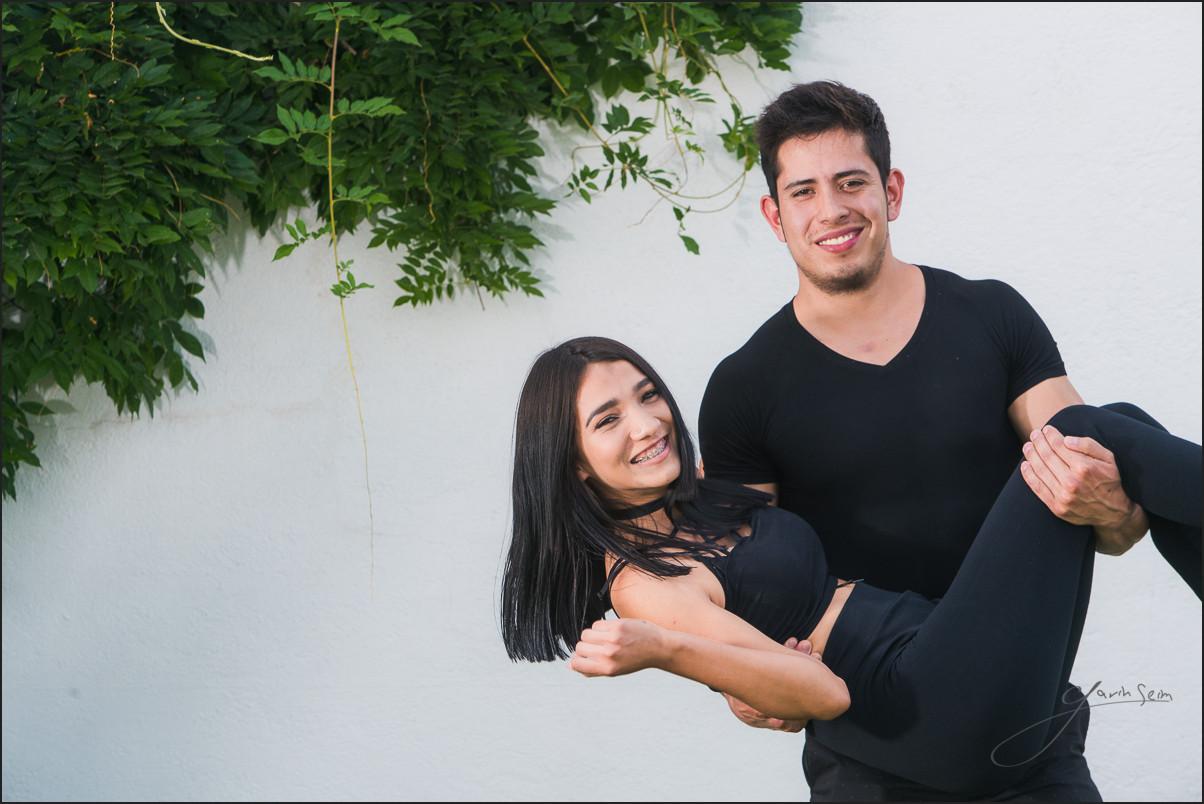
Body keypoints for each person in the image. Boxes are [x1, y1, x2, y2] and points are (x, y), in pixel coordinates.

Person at [695, 80, 1201, 800]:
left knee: (1088, 434)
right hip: (875, 746)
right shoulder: (744, 387)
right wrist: (743, 684)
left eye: (851, 182)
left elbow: (1112, 526)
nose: (831, 209)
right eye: (803, 191)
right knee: (1095, 425)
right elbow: (745, 586)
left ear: (891, 191)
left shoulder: (991, 316)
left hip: (1025, 728)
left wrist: (1113, 510)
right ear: (775, 216)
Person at [498, 336, 1201, 798]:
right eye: (608, 419)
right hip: (919, 704)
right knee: (1072, 434)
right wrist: (666, 650)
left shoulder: (699, 500)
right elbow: (821, 694)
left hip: (936, 655)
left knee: (1117, 423)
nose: (647, 423)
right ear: (573, 465)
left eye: (647, 394)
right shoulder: (645, 585)